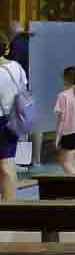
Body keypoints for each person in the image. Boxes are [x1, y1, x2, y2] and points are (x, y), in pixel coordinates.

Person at [0, 32, 26, 199]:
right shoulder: (16, 67)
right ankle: (9, 203)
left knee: (6, 164)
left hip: (3, 121)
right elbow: (23, 88)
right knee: (7, 163)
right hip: (13, 119)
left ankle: (9, 205)